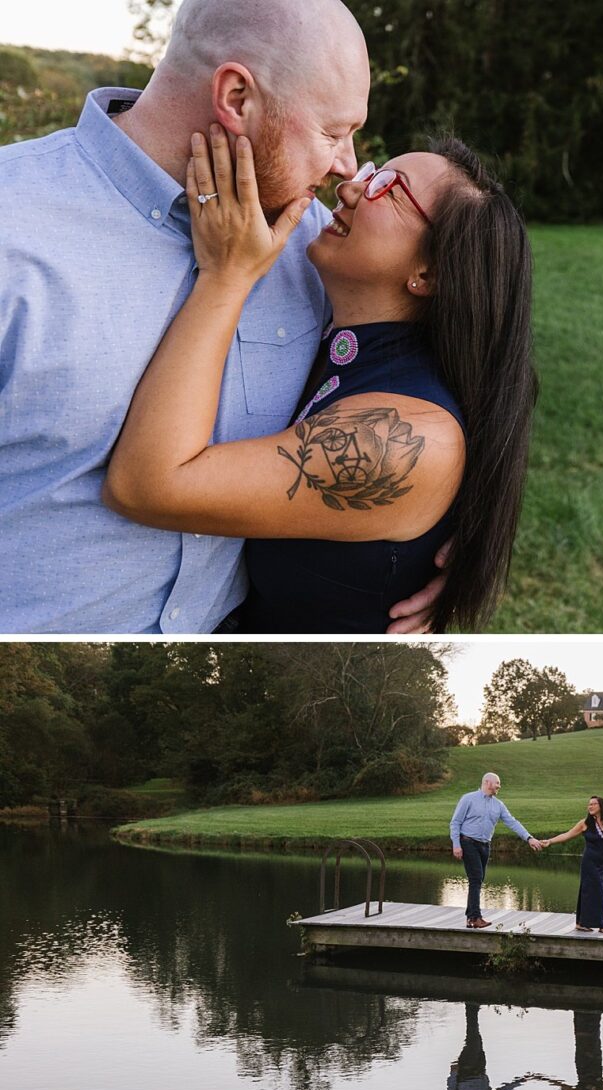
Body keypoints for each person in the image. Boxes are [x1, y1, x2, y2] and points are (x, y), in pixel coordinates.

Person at [0, 0, 392, 635]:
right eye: (332, 132)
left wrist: (446, 533)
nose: (347, 163)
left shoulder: (319, 244)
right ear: (236, 98)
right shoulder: (13, 229)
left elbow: (431, 366)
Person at [102, 120, 536, 634]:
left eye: (387, 190)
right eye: (376, 171)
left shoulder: (405, 439)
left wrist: (226, 275)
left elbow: (146, 486)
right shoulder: (350, 335)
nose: (350, 186)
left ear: (431, 273)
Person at [448, 774, 544, 929]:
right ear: (487, 782)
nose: (499, 786)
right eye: (497, 783)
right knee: (476, 878)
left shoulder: (498, 805)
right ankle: (475, 918)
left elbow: (512, 822)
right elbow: (455, 822)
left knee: (477, 880)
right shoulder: (468, 799)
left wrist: (529, 838)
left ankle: (470, 917)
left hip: (485, 846)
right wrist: (456, 844)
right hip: (468, 843)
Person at [541, 796, 603, 934]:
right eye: (589, 804)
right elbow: (567, 835)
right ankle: (602, 925)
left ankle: (581, 923)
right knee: (596, 890)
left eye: (593, 804)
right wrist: (550, 841)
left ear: (601, 806)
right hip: (589, 862)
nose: (590, 806)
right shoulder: (584, 823)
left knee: (589, 890)